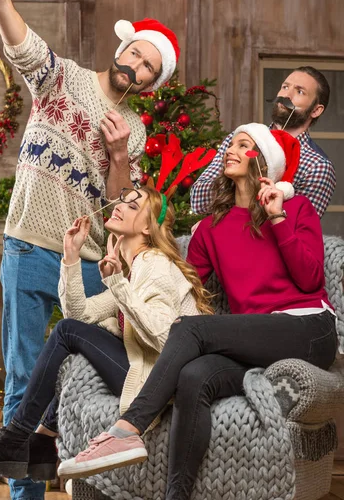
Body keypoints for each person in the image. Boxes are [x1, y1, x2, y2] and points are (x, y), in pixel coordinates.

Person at [0, 0, 181, 499]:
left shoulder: (135, 131)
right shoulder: (63, 79)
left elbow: (123, 209)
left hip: (92, 265)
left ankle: (85, 485)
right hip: (28, 245)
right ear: (122, 48)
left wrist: (119, 154)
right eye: (136, 55)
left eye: (148, 68)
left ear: (149, 82)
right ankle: (26, 497)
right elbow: (23, 46)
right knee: (23, 377)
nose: (136, 68)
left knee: (82, 379)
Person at [63, 123, 338, 500]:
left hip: (307, 328)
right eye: (231, 143)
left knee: (192, 330)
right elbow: (182, 285)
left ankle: (127, 429)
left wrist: (277, 218)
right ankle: (178, 495)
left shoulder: (295, 208)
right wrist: (129, 276)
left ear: (264, 161)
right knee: (194, 375)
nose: (231, 149)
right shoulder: (211, 229)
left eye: (244, 145)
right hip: (252, 343)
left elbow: (309, 279)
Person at [0, 186, 212, 483]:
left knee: (67, 334)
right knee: (73, 337)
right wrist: (71, 257)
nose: (120, 205)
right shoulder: (133, 270)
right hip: (148, 368)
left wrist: (117, 284)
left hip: (165, 383)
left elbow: (166, 338)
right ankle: (40, 443)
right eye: (123, 199)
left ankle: (15, 439)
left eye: (133, 205)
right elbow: (79, 317)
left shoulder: (154, 264)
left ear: (147, 227)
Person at [191, 66, 336, 218]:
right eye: (285, 87)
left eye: (299, 91)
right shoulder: (239, 138)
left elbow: (297, 229)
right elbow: (198, 200)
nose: (286, 95)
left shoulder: (317, 167)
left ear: (316, 110)